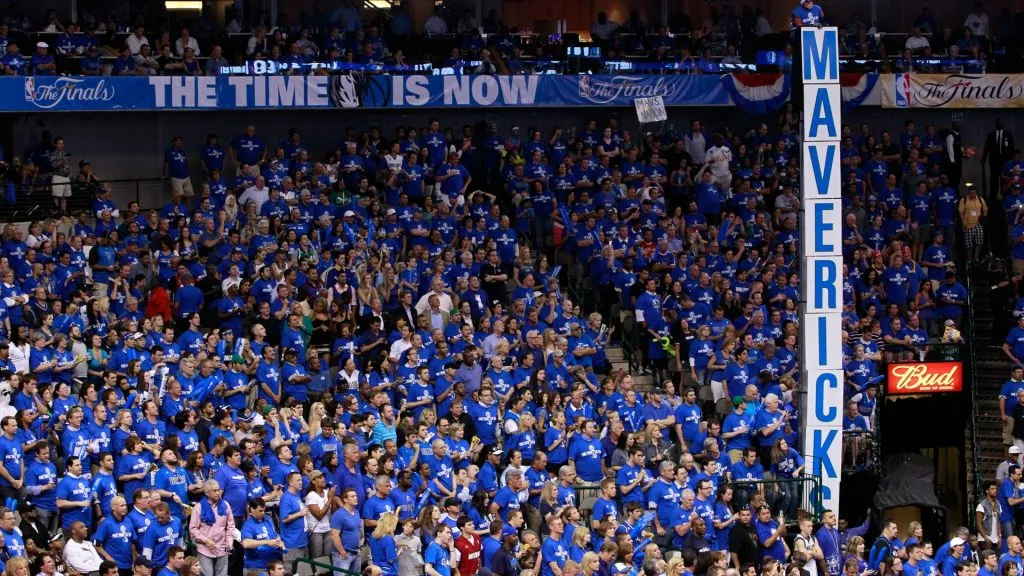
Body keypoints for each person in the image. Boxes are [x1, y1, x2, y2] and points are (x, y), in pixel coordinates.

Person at [188, 480, 234, 576]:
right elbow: (193, 529)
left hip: (222, 547)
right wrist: (205, 540)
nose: (217, 493)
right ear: (207, 493)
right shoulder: (198, 507)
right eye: (214, 491)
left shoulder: (225, 505)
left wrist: (229, 543)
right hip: (205, 548)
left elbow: (230, 526)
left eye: (218, 490)